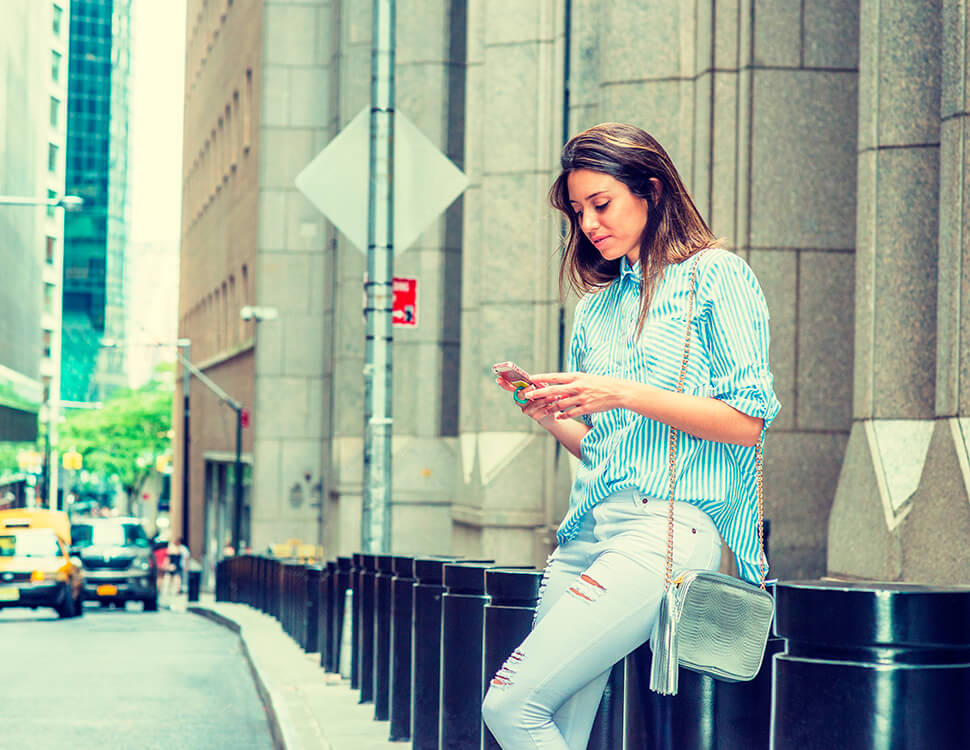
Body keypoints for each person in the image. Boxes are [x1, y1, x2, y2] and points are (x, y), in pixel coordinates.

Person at [481, 122, 781, 749]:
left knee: (509, 706)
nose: (588, 224)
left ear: (650, 189)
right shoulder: (598, 305)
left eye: (600, 204)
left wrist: (619, 391)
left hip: (669, 529)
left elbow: (747, 422)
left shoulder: (716, 277)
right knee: (556, 722)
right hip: (588, 534)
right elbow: (604, 449)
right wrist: (548, 411)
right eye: (577, 212)